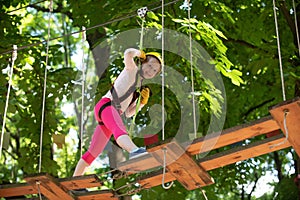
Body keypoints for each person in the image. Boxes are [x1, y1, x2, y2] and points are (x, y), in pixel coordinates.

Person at [73, 48, 162, 176]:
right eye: (149, 65)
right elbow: (128, 54)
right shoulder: (132, 69)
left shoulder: (138, 87)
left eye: (154, 70)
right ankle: (135, 151)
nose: (150, 71)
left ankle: (76, 180)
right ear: (142, 62)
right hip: (107, 105)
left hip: (111, 113)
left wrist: (141, 103)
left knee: (93, 152)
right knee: (119, 129)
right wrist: (138, 53)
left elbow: (128, 113)